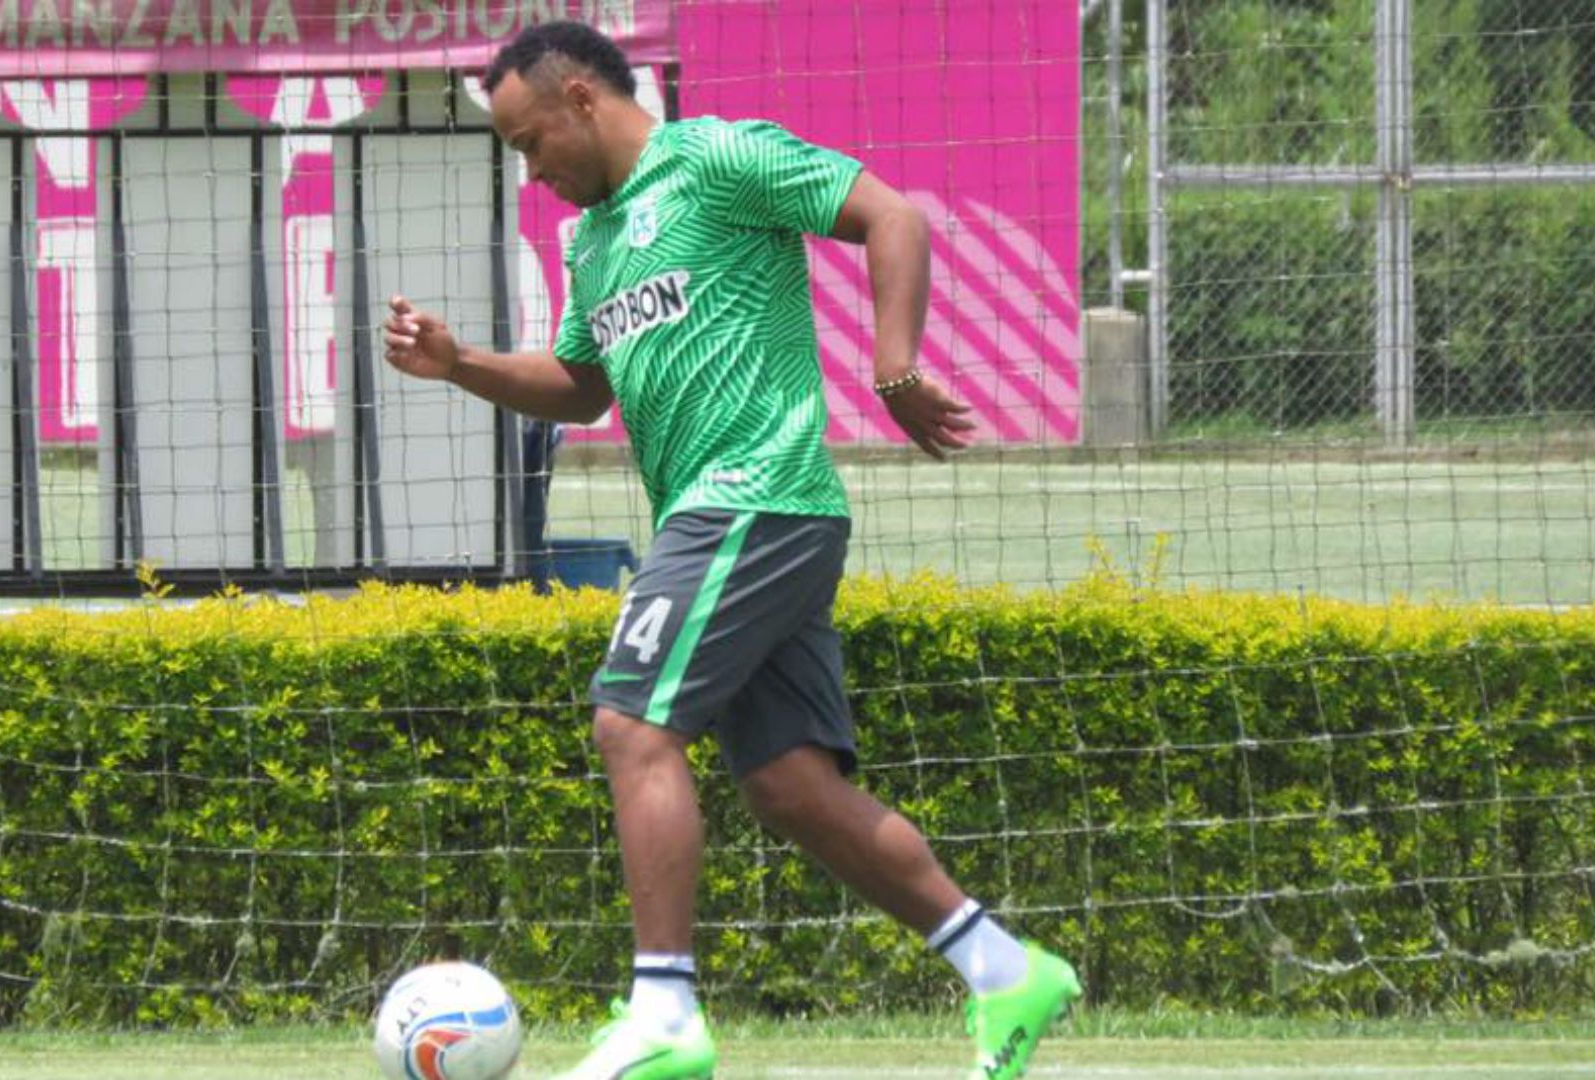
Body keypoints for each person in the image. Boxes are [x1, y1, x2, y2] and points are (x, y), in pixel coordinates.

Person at [382, 20, 1082, 1080]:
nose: (531, 171)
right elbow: (584, 385)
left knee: (630, 720)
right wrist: (461, 363)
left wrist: (894, 371)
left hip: (752, 498)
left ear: (580, 97)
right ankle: (1004, 968)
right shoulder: (594, 239)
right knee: (791, 788)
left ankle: (663, 1011)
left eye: (529, 144)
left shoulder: (714, 156)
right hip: (738, 520)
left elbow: (890, 215)